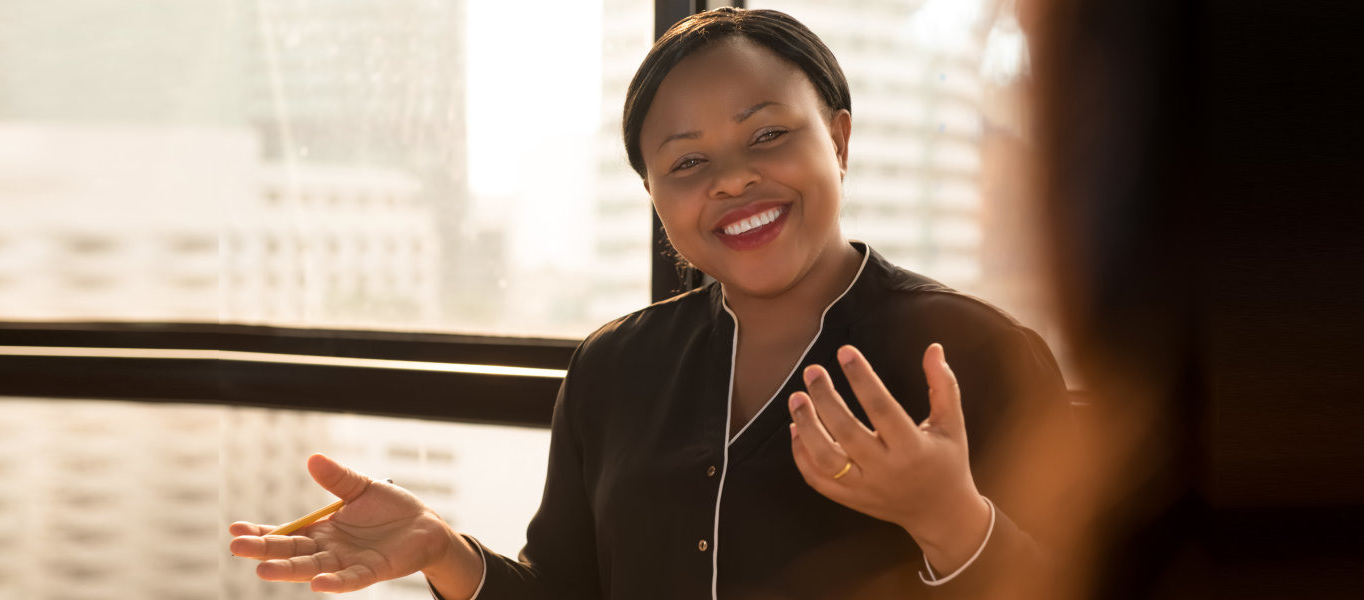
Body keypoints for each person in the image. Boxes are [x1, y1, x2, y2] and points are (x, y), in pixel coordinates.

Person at [227, 8, 1068, 599]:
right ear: (655, 198)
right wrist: (443, 551)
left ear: (839, 140)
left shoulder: (976, 354)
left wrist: (950, 520)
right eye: (687, 162)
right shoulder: (613, 366)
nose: (734, 177)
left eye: (768, 134)